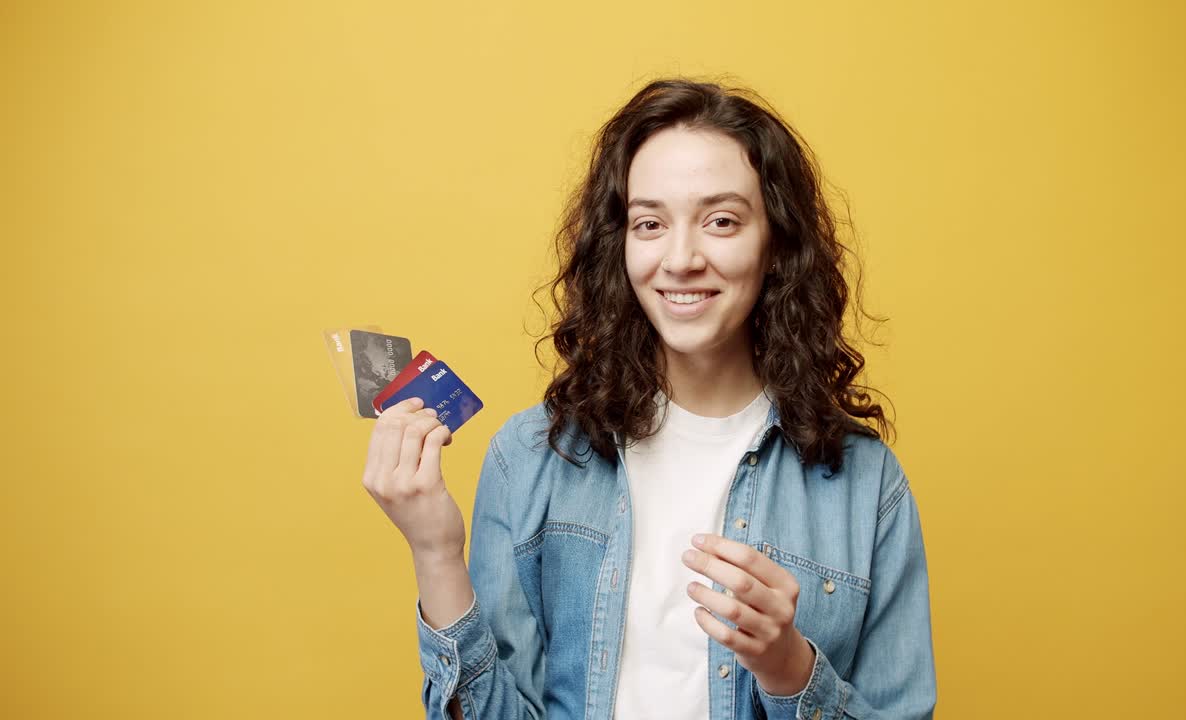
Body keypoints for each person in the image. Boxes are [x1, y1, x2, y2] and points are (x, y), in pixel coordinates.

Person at [362, 77, 937, 719]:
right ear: (621, 246)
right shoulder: (528, 459)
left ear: (776, 245)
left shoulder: (867, 486)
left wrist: (789, 670)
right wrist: (436, 554)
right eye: (650, 223)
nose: (680, 258)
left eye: (721, 221)